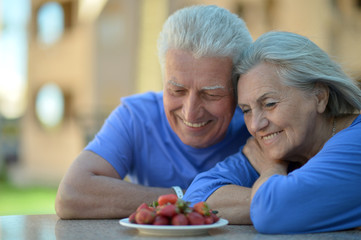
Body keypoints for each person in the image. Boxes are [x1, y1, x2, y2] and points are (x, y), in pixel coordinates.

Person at [55, 5, 253, 219]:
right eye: (177, 90)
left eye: (211, 95)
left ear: (238, 89)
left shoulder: (258, 125)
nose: (191, 113)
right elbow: (72, 195)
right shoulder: (136, 117)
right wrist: (189, 199)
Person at [183, 31, 361, 234]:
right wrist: (289, 200)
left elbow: (271, 213)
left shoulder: (356, 142)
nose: (256, 125)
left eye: (269, 104)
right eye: (247, 111)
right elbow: (196, 199)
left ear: (319, 97)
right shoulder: (279, 147)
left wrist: (270, 172)